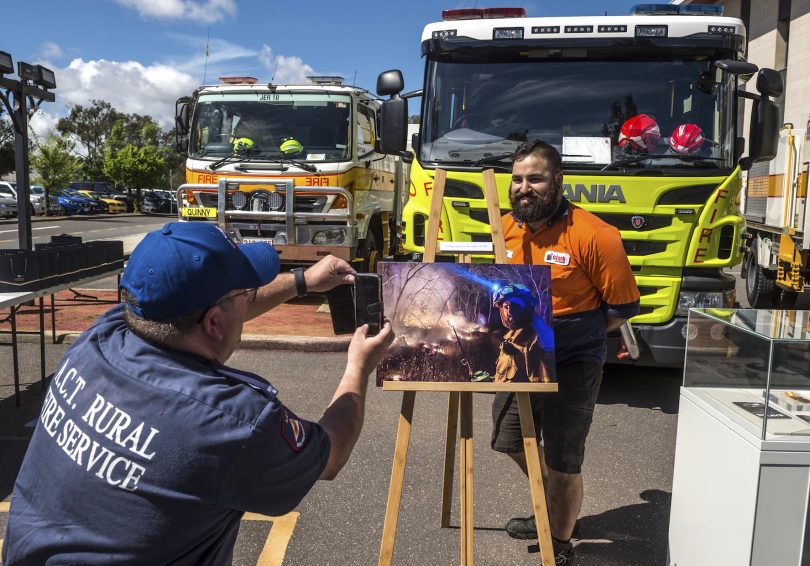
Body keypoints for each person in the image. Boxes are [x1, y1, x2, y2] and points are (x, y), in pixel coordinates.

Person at [2, 222, 394, 565]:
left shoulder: (102, 337)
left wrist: (302, 281)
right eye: (243, 292)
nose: (249, 297)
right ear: (214, 322)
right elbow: (330, 452)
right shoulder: (229, 423)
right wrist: (359, 365)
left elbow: (198, 309)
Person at [491, 140, 640, 565]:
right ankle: (553, 507)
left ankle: (559, 539)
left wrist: (576, 333)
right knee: (509, 438)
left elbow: (624, 309)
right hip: (522, 357)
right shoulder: (504, 228)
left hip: (574, 360)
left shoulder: (596, 235)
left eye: (534, 178)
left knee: (562, 458)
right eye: (517, 179)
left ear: (558, 181)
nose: (524, 187)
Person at [492, 283, 553, 384]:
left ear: (526, 308)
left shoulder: (537, 342)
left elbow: (543, 389)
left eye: (515, 306)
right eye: (506, 307)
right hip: (505, 396)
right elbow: (504, 378)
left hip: (519, 399)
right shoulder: (510, 338)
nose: (509, 312)